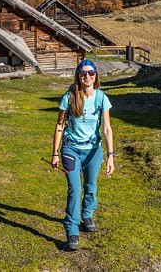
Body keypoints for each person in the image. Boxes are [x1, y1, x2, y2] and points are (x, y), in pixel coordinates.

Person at [51, 59, 114, 252]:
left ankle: (87, 214)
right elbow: (60, 125)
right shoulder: (69, 97)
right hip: (71, 149)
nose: (87, 77)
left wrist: (110, 155)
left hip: (93, 151)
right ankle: (72, 231)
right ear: (78, 76)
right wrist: (54, 153)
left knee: (91, 186)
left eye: (91, 73)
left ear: (96, 76)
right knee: (74, 189)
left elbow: (107, 128)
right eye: (83, 73)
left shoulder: (101, 97)